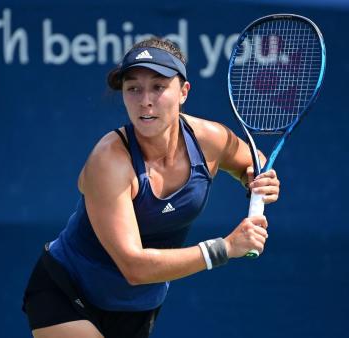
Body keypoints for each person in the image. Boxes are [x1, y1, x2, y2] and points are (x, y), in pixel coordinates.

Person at [22, 37, 281, 338]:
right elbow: (134, 267)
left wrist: (256, 179)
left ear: (183, 92)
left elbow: (254, 162)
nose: (145, 100)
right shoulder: (109, 160)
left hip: (139, 307)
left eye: (158, 87)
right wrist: (224, 248)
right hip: (66, 290)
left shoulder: (210, 140)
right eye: (133, 88)